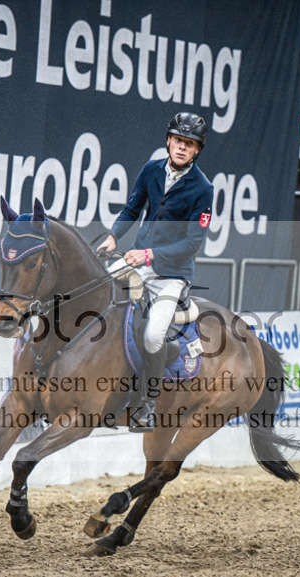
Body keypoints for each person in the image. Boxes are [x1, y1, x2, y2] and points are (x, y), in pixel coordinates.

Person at [96, 112, 214, 432]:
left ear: (197, 150)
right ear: (168, 141)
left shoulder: (203, 189)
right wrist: (113, 236)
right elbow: (132, 208)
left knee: (151, 335)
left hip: (172, 274)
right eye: (178, 141)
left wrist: (148, 254)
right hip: (138, 260)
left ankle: (147, 404)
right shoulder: (151, 170)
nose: (181, 148)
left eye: (189, 144)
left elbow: (192, 243)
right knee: (97, 286)